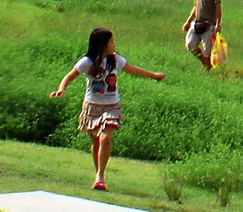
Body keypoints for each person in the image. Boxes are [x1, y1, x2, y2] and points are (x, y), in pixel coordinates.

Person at [51, 27, 164, 192]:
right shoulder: (87, 62)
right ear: (103, 44)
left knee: (105, 138)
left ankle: (100, 176)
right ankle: (98, 175)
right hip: (92, 106)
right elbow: (69, 76)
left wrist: (154, 75)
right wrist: (61, 89)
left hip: (111, 105)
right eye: (111, 41)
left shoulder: (115, 60)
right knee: (96, 142)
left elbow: (133, 69)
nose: (114, 44)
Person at [184, 0, 222, 69]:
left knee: (206, 50)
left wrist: (218, 23)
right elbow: (196, 7)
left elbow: (218, 7)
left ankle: (207, 70)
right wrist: (188, 21)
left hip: (209, 25)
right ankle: (206, 64)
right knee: (190, 45)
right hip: (197, 22)